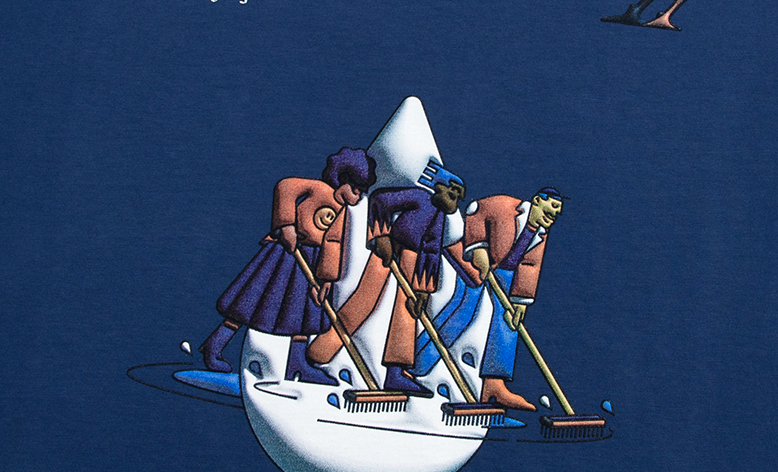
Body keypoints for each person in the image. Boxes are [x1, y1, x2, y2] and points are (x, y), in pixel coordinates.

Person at [200, 147, 377, 380]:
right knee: (251, 299)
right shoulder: (319, 189)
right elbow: (286, 187)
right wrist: (287, 225)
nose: (357, 197)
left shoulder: (343, 214)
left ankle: (297, 364)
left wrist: (326, 279)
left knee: (306, 312)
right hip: (285, 254)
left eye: (361, 193)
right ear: (343, 179)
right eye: (355, 190)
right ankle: (215, 344)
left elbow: (334, 245)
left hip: (311, 262)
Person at [307, 171, 466, 395]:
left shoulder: (439, 218)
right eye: (451, 190)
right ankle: (320, 352)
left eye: (458, 195)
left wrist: (423, 291)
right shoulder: (419, 196)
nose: (454, 198)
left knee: (408, 312)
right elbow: (381, 200)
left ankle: (396, 372)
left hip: (413, 258)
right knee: (365, 299)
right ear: (439, 186)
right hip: (390, 248)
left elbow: (431, 252)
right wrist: (381, 236)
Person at [414, 188, 564, 409]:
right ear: (537, 201)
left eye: (557, 212)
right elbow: (475, 211)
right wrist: (479, 248)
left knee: (509, 321)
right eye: (552, 207)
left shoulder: (540, 231)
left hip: (506, 271)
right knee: (463, 311)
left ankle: (494, 385)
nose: (554, 215)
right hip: (478, 262)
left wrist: (521, 300)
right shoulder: (506, 207)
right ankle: (418, 364)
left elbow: (530, 265)